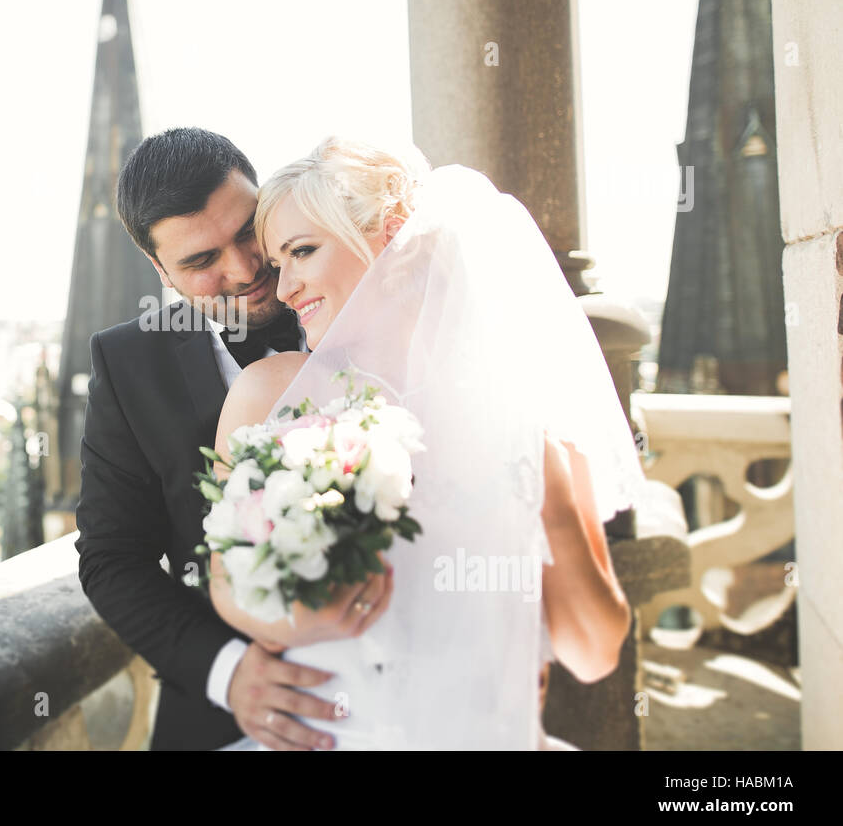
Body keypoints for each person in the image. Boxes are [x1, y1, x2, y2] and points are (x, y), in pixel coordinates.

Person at [208, 137, 643, 749]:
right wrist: (305, 621)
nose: (284, 289)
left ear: (392, 235)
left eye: (302, 252)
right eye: (279, 264)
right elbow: (225, 585)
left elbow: (595, 654)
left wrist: (550, 502)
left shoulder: (524, 416)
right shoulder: (268, 395)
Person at [74, 128, 388, 751]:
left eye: (247, 232)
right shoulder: (127, 362)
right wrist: (227, 672)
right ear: (160, 270)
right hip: (225, 721)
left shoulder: (377, 311)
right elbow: (112, 559)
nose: (245, 270)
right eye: (200, 262)